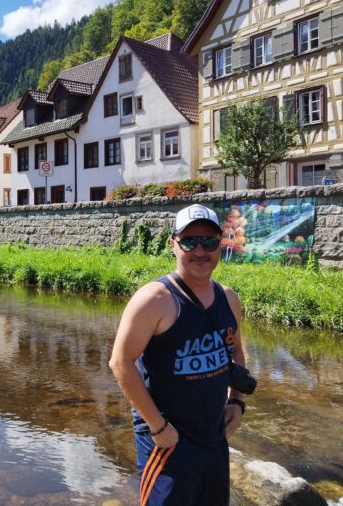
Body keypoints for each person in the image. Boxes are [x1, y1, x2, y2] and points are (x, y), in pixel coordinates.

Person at [109, 204, 248, 505]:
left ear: (220, 245)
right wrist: (158, 427)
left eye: (209, 242)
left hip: (213, 434)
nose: (200, 250)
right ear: (173, 244)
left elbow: (236, 351)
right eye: (189, 241)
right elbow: (120, 363)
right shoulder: (154, 299)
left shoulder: (228, 298)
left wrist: (236, 400)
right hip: (167, 440)